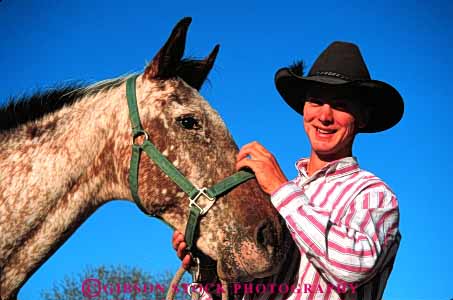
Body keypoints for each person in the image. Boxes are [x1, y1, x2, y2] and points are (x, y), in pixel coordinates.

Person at [172, 41, 403, 300]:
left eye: (340, 105)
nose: (325, 116)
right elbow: (244, 292)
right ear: (304, 109)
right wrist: (206, 267)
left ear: (362, 118)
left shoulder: (373, 194)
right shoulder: (273, 197)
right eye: (316, 101)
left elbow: (353, 266)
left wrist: (282, 190)